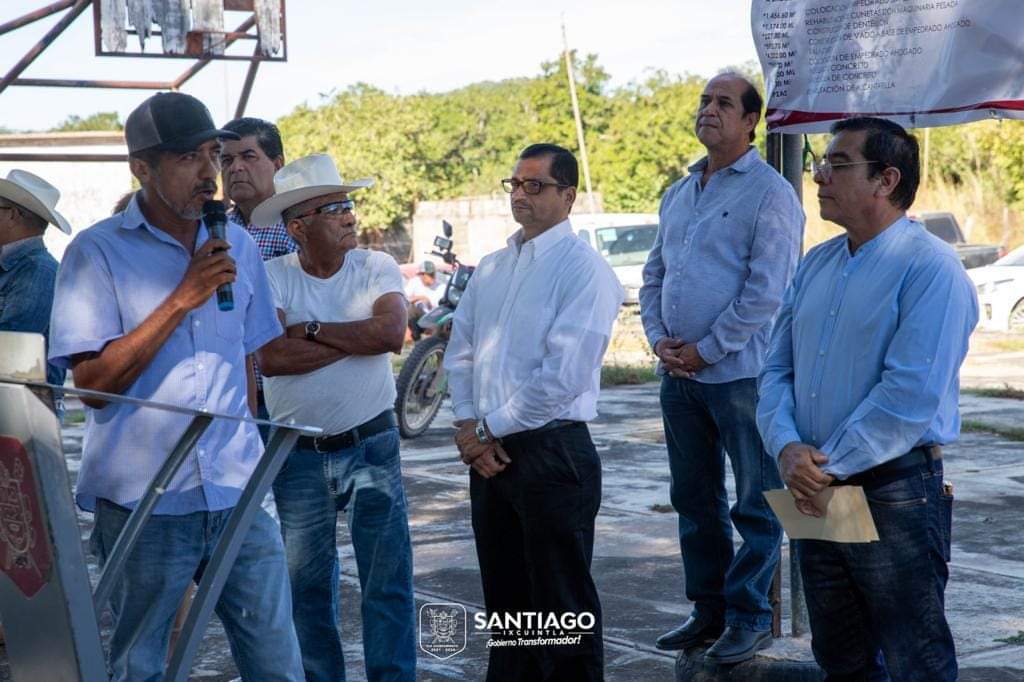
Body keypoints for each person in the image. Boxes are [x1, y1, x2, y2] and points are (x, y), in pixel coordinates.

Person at [47, 91, 303, 681]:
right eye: (189, 158)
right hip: (146, 499)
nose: (210, 173)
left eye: (212, 154)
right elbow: (93, 385)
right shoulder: (96, 251)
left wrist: (251, 450)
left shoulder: (235, 242)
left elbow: (246, 357)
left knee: (276, 662)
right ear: (142, 167)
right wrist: (182, 298)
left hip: (236, 491)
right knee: (141, 665)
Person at [757, 117, 977, 680]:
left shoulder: (930, 269)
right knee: (840, 652)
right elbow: (776, 367)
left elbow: (909, 397)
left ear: (886, 179)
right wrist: (786, 447)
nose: (819, 175)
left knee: (913, 656)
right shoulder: (818, 262)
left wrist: (822, 467)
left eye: (837, 163)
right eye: (820, 162)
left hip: (891, 490)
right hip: (816, 487)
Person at [640, 73, 804, 663]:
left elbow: (769, 291)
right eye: (705, 101)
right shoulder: (680, 192)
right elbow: (654, 273)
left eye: (724, 103)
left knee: (757, 501)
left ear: (750, 121)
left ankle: (750, 616)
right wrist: (659, 339)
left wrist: (707, 349)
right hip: (678, 377)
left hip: (739, 377)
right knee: (693, 499)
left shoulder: (770, 192)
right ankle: (706, 611)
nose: (709, 110)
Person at [444, 143, 624, 681]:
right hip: (490, 455)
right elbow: (462, 351)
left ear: (568, 196)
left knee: (561, 611)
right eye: (515, 184)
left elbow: (562, 376)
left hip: (552, 452)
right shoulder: (495, 266)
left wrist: (484, 429)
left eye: (535, 186)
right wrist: (467, 426)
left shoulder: (584, 270)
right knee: (509, 608)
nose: (520, 194)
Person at [252, 153, 416, 681]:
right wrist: (354, 336)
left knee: (387, 582)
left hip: (372, 444)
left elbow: (391, 336)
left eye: (349, 204)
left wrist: (312, 330)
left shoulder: (376, 266)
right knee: (307, 589)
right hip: (297, 456)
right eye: (334, 208)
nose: (350, 216)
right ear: (298, 227)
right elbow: (272, 358)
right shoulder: (271, 275)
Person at [221, 117, 296, 432]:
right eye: (226, 159)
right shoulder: (215, 231)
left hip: (291, 395)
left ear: (277, 164)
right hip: (234, 399)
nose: (236, 167)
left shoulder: (299, 227)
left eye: (248, 156)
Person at [0, 169, 71, 397]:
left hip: (22, 410)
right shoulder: (20, 267)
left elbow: (11, 344)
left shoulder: (38, 270)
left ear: (11, 215)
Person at [404, 259, 444, 340]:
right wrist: (420, 297)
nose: (428, 278)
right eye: (424, 275)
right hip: (420, 317)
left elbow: (439, 307)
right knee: (410, 309)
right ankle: (416, 337)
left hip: (435, 319)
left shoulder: (441, 287)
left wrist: (427, 300)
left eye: (431, 275)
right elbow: (404, 299)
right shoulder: (414, 282)